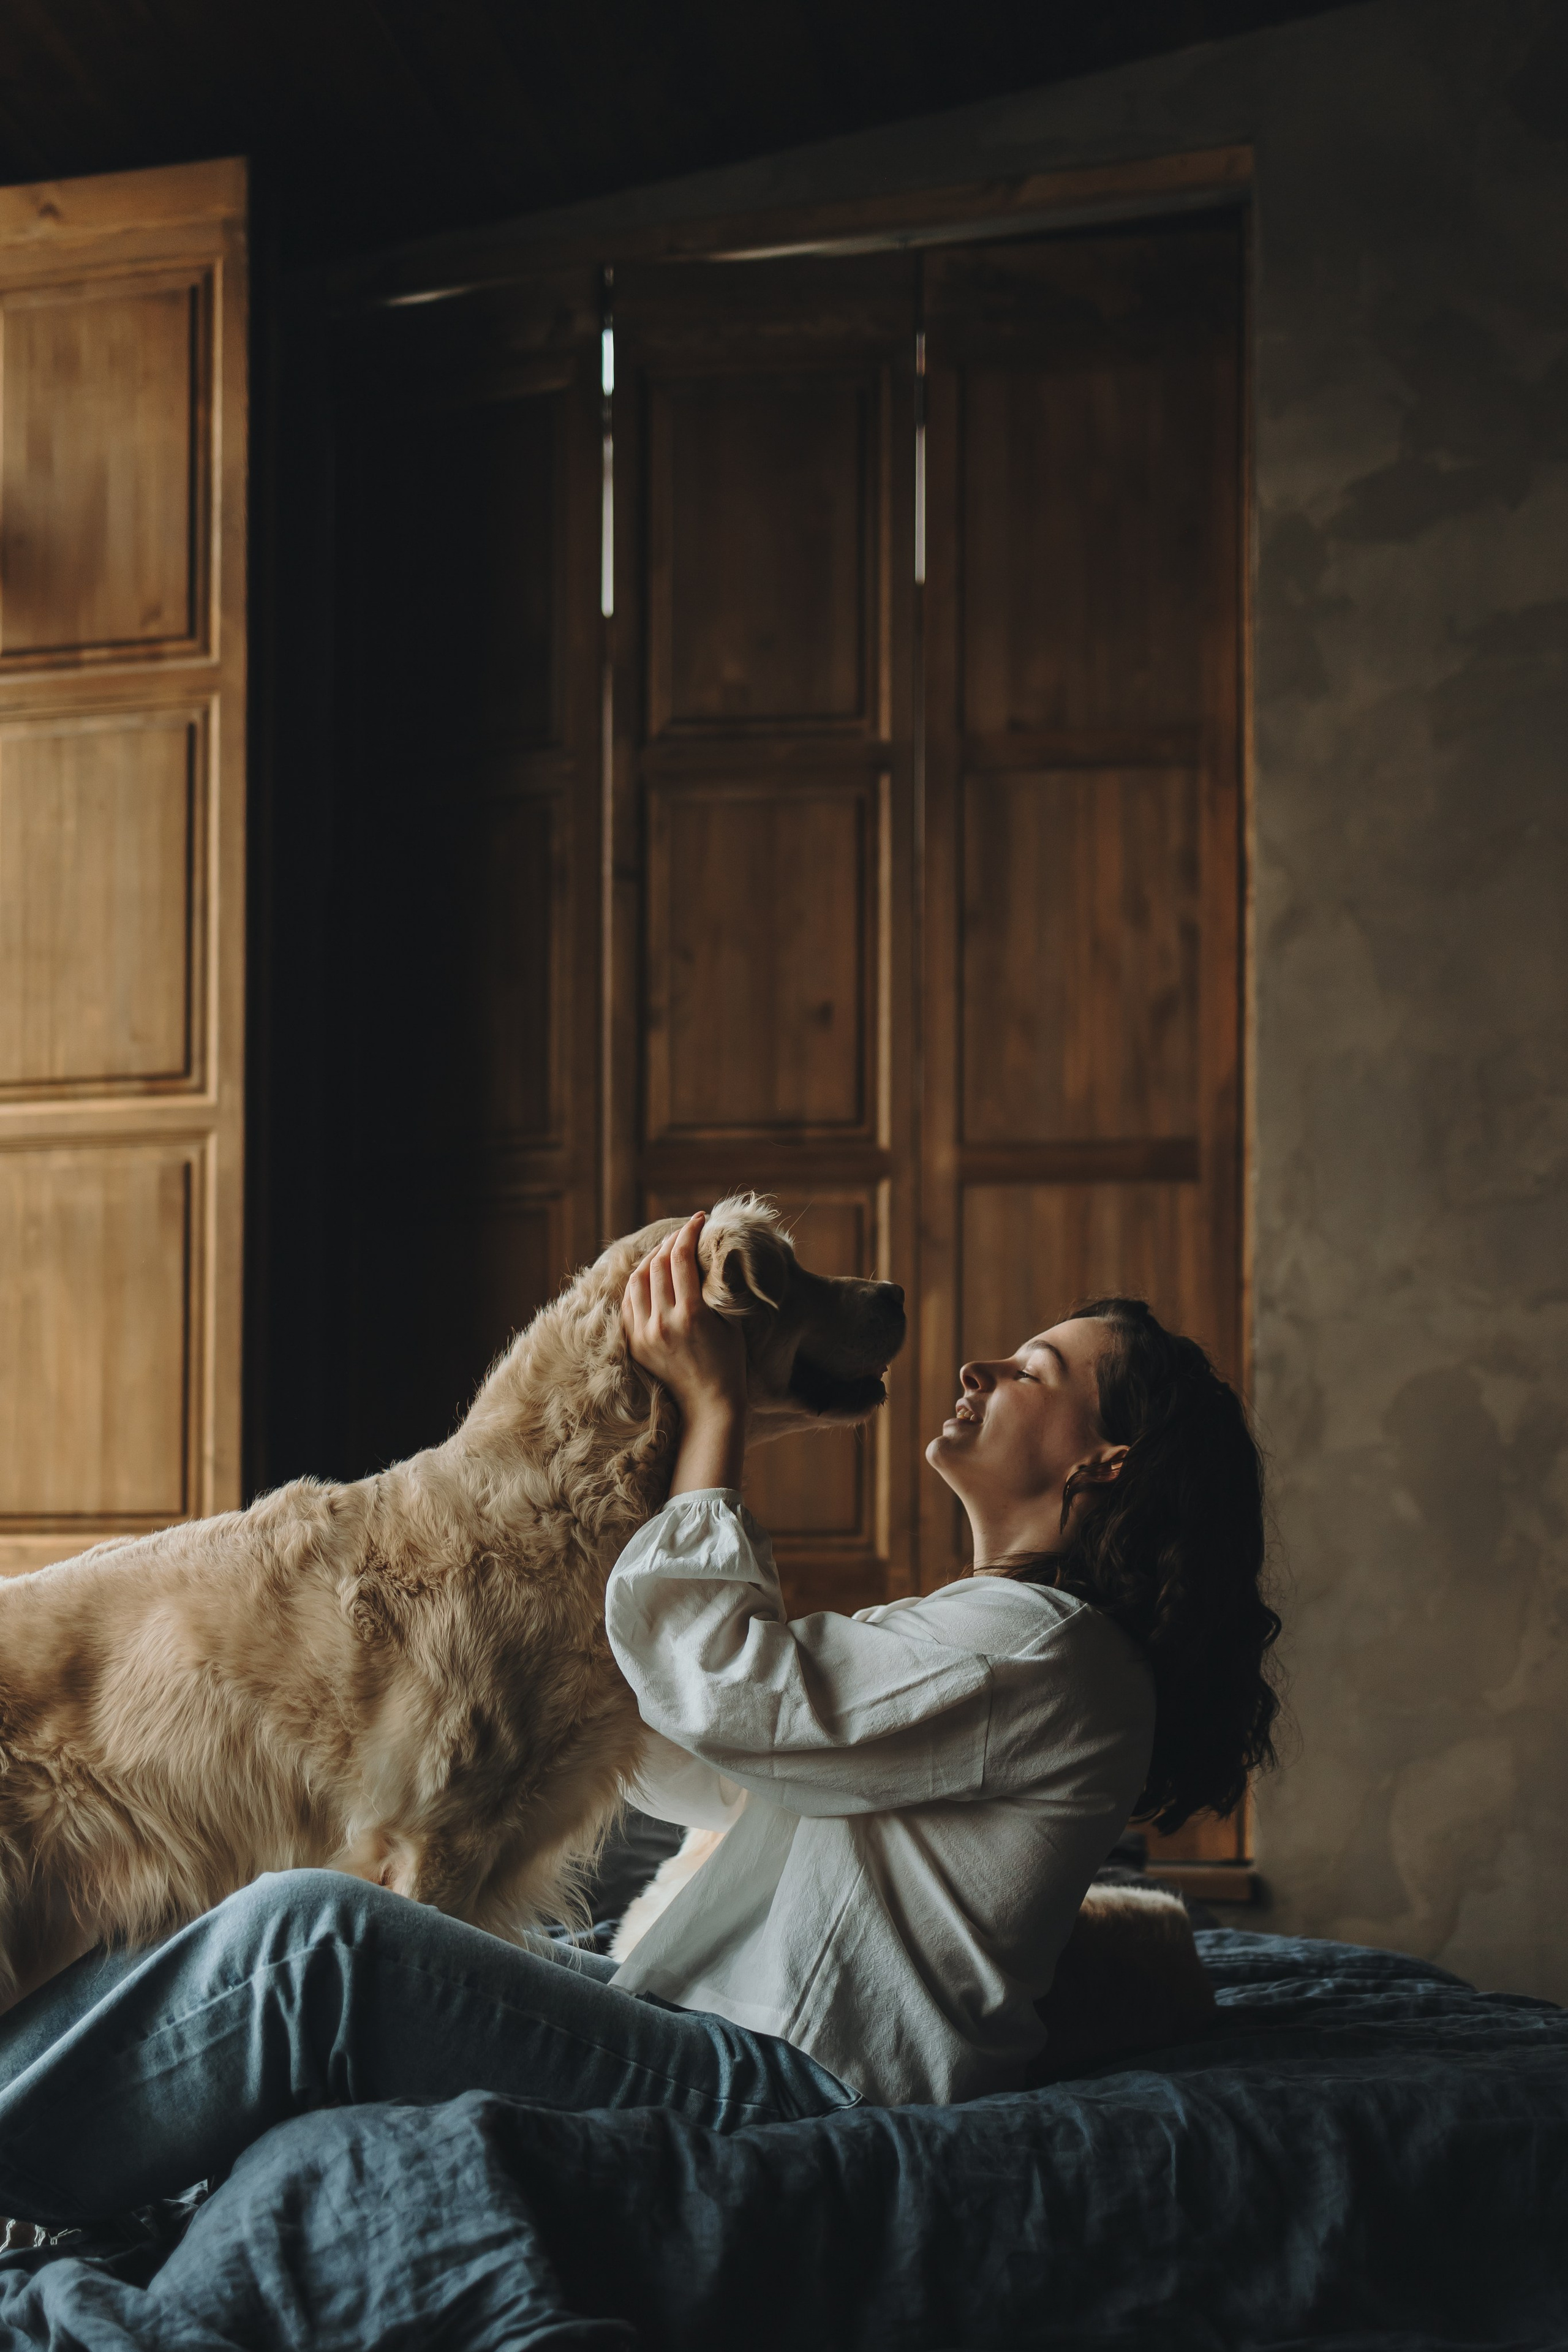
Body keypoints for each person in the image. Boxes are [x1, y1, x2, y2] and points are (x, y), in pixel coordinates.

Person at [0, 1213, 1278, 2227]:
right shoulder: (994, 1640)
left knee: (317, 1935)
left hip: (781, 2097)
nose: (980, 1368)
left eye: (1034, 1371)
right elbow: (687, 1753)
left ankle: (24, 2165)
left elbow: (726, 1694)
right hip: (685, 2026)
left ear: (1102, 1461)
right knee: (255, 1918)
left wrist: (714, 1414)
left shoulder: (1047, 1654)